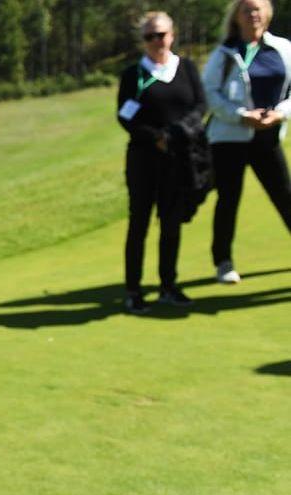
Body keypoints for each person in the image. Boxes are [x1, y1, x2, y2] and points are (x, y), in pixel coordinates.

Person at [116, 11, 207, 313]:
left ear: (172, 35)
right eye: (150, 36)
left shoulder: (186, 68)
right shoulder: (134, 75)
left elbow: (200, 105)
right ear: (143, 41)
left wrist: (180, 132)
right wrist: (155, 137)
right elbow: (125, 115)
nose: (157, 41)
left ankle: (168, 285)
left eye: (161, 35)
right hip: (144, 159)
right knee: (139, 223)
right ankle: (133, 290)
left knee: (171, 224)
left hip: (179, 159)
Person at [204, 0, 291, 284]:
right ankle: (223, 261)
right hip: (230, 138)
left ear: (267, 13)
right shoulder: (225, 53)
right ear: (236, 17)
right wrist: (241, 115)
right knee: (228, 198)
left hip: (267, 134)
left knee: (285, 195)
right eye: (246, 10)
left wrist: (280, 114)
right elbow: (211, 94)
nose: (253, 15)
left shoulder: (282, 49)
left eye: (257, 9)